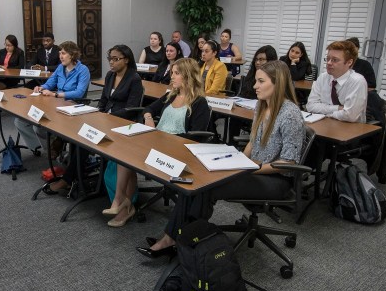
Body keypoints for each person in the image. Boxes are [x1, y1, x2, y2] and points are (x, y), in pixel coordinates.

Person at [137, 61, 304, 257]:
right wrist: (240, 160)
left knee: (206, 187)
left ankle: (180, 240)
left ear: (278, 83)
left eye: (260, 81)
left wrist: (250, 167)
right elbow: (252, 142)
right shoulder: (263, 105)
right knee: (196, 179)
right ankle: (177, 238)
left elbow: (289, 163)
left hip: (275, 179)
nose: (254, 86)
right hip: (253, 169)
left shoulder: (290, 114)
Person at [107, 58, 210, 228]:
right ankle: (120, 201)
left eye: (176, 73)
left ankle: (123, 204)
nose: (172, 77)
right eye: (172, 73)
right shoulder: (172, 95)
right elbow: (148, 108)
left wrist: (165, 138)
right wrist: (148, 118)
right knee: (124, 152)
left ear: (188, 76)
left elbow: (195, 137)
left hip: (177, 150)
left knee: (128, 154)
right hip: (156, 142)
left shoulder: (200, 103)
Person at [47, 45, 143, 194]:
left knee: (85, 140)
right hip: (105, 119)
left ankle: (68, 179)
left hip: (121, 124)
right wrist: (97, 113)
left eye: (115, 59)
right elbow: (104, 99)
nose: (111, 62)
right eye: (110, 58)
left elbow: (131, 109)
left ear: (126, 60)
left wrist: (108, 118)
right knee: (80, 135)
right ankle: (75, 176)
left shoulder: (134, 79)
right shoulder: (110, 75)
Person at [14, 41, 90, 153]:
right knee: (20, 121)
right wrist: (41, 87)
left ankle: (52, 150)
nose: (60, 56)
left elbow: (79, 93)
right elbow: (50, 83)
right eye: (60, 53)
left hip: (72, 105)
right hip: (56, 102)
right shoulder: (60, 67)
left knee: (39, 125)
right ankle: (44, 147)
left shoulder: (83, 70)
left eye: (63, 53)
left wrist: (56, 94)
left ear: (72, 54)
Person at [306, 40, 368, 123]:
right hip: (325, 124)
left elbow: (350, 116)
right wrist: (338, 108)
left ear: (349, 62)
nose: (328, 63)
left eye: (334, 60)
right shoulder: (323, 77)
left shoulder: (357, 81)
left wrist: (328, 114)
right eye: (328, 59)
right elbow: (310, 106)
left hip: (350, 128)